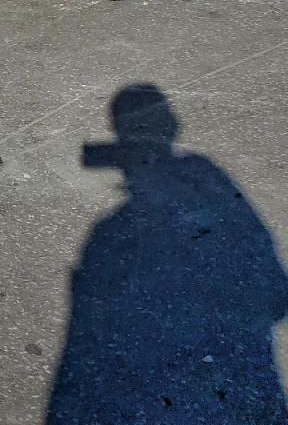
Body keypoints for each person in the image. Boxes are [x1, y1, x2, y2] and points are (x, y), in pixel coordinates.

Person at [47, 84, 288, 423]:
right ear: (173, 128)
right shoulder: (218, 206)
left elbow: (83, 351)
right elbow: (276, 296)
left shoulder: (109, 238)